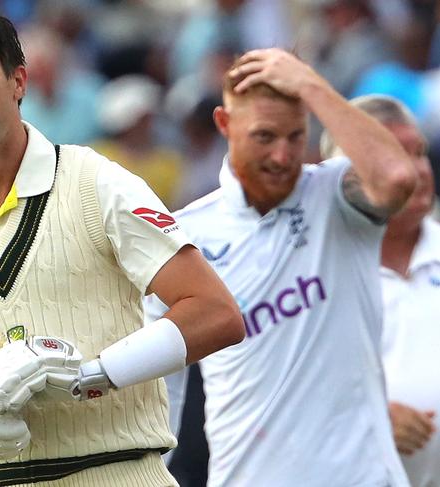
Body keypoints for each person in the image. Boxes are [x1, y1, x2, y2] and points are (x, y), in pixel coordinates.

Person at [0, 3, 244, 487]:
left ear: (19, 81)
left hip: (117, 472)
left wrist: (93, 375)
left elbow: (217, 313)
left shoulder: (97, 182)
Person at [145, 48, 418, 486]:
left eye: (296, 136)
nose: (283, 156)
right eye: (265, 137)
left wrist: (311, 85)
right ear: (224, 124)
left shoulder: (336, 195)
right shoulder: (185, 236)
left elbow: (398, 178)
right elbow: (161, 391)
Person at [321, 94, 439, 487]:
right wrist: (368, 418)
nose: (418, 170)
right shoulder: (314, 275)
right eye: (393, 154)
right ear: (344, 173)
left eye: (419, 152)